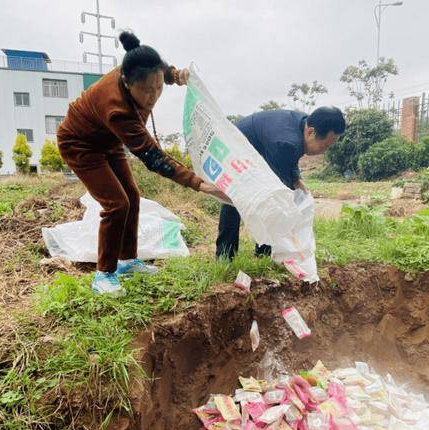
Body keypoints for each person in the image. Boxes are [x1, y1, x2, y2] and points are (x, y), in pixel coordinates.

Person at [57, 31, 229, 294]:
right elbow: (152, 157)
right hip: (81, 144)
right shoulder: (117, 110)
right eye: (147, 90)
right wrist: (199, 184)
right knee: (117, 204)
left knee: (133, 197)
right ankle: (104, 275)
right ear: (127, 83)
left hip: (108, 140)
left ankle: (127, 260)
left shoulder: (141, 68)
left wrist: (173, 75)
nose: (154, 95)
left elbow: (158, 70)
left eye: (158, 87)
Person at [215, 107, 346, 260]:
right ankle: (227, 255)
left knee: (274, 202)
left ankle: (264, 252)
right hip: (234, 149)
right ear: (311, 132)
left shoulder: (304, 123)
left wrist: (297, 180)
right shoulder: (285, 142)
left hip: (258, 149)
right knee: (237, 199)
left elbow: (291, 158)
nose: (324, 151)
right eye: (325, 146)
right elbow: (277, 186)